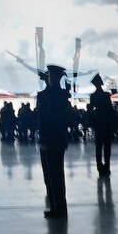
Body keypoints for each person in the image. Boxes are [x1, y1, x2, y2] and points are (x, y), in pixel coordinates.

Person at [38, 65, 72, 219]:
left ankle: (57, 209)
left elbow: (45, 119)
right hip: (57, 139)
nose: (47, 77)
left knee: (52, 176)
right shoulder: (61, 95)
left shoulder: (48, 95)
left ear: (54, 78)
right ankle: (58, 207)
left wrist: (43, 137)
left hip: (50, 140)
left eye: (49, 75)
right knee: (55, 176)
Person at [89, 73, 114, 176]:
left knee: (99, 146)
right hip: (106, 123)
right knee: (107, 146)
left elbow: (91, 111)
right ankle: (107, 166)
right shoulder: (106, 95)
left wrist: (92, 122)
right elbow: (110, 110)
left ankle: (99, 166)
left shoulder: (93, 96)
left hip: (98, 123)